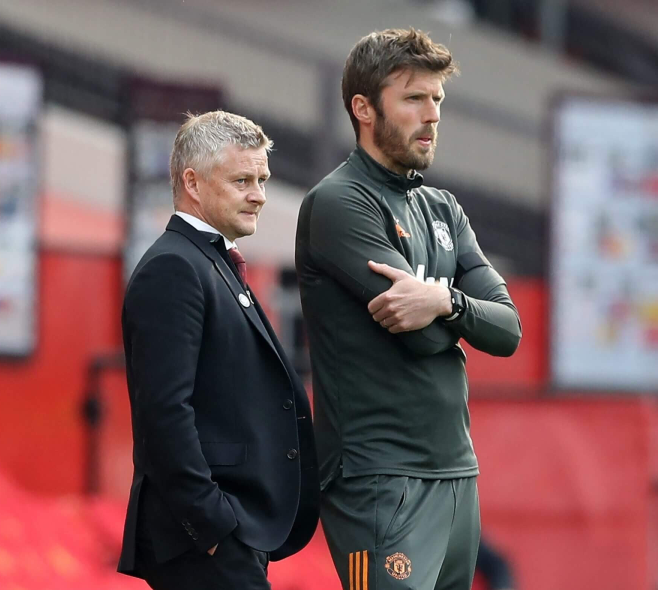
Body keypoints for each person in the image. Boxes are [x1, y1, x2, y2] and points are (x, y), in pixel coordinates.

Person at [295, 29, 522, 590]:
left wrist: (443, 300)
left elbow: (508, 330)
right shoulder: (339, 201)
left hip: (456, 472)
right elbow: (418, 336)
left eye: (437, 99)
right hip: (378, 480)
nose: (432, 114)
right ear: (364, 108)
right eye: (414, 98)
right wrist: (464, 316)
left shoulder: (443, 208)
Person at [118, 110, 319, 590]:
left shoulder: (209, 261)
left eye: (262, 180)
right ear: (193, 182)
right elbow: (164, 413)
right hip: (203, 538)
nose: (259, 195)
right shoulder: (173, 267)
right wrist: (211, 527)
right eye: (242, 180)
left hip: (228, 532)